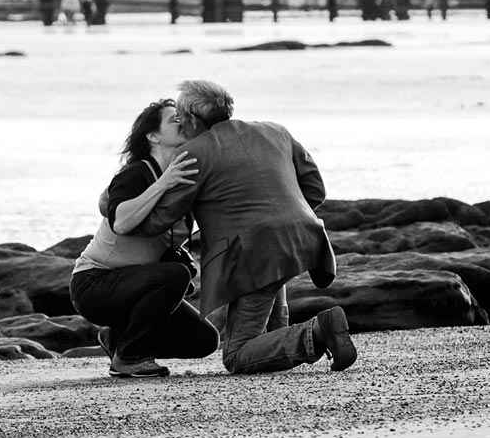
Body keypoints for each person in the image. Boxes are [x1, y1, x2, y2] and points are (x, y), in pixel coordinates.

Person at [134, 79, 356, 375]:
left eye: (180, 116)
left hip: (257, 253)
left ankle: (317, 332)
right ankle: (292, 342)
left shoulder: (195, 153)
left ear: (192, 119)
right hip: (302, 239)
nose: (178, 120)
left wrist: (120, 216)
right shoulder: (275, 131)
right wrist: (282, 217)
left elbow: (163, 220)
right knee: (270, 309)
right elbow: (315, 189)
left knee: (237, 355)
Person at [69, 100, 218, 378]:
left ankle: (119, 341)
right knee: (175, 274)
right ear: (153, 136)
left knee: (205, 340)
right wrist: (164, 182)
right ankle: (130, 356)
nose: (182, 122)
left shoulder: (187, 178)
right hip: (94, 284)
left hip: (135, 286)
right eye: (174, 119)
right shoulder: (136, 172)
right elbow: (122, 222)